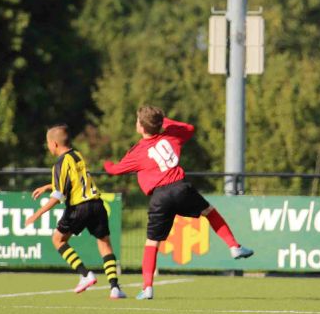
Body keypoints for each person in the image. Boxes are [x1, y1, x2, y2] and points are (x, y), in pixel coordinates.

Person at [103, 105, 253, 300]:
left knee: (152, 242)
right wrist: (163, 121)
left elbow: (114, 170)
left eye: (138, 121)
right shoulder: (171, 136)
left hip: (159, 197)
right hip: (181, 188)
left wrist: (106, 163)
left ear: (140, 126)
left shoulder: (138, 151)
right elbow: (189, 128)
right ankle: (233, 246)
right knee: (209, 212)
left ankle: (147, 288)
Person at [25, 124, 126, 299]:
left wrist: (37, 213)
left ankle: (85, 275)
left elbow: (58, 195)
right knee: (104, 243)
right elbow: (73, 182)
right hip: (97, 204)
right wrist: (48, 186)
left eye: (48, 143)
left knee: (57, 239)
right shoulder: (77, 155)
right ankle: (115, 288)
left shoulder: (60, 163)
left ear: (54, 144)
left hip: (79, 207)